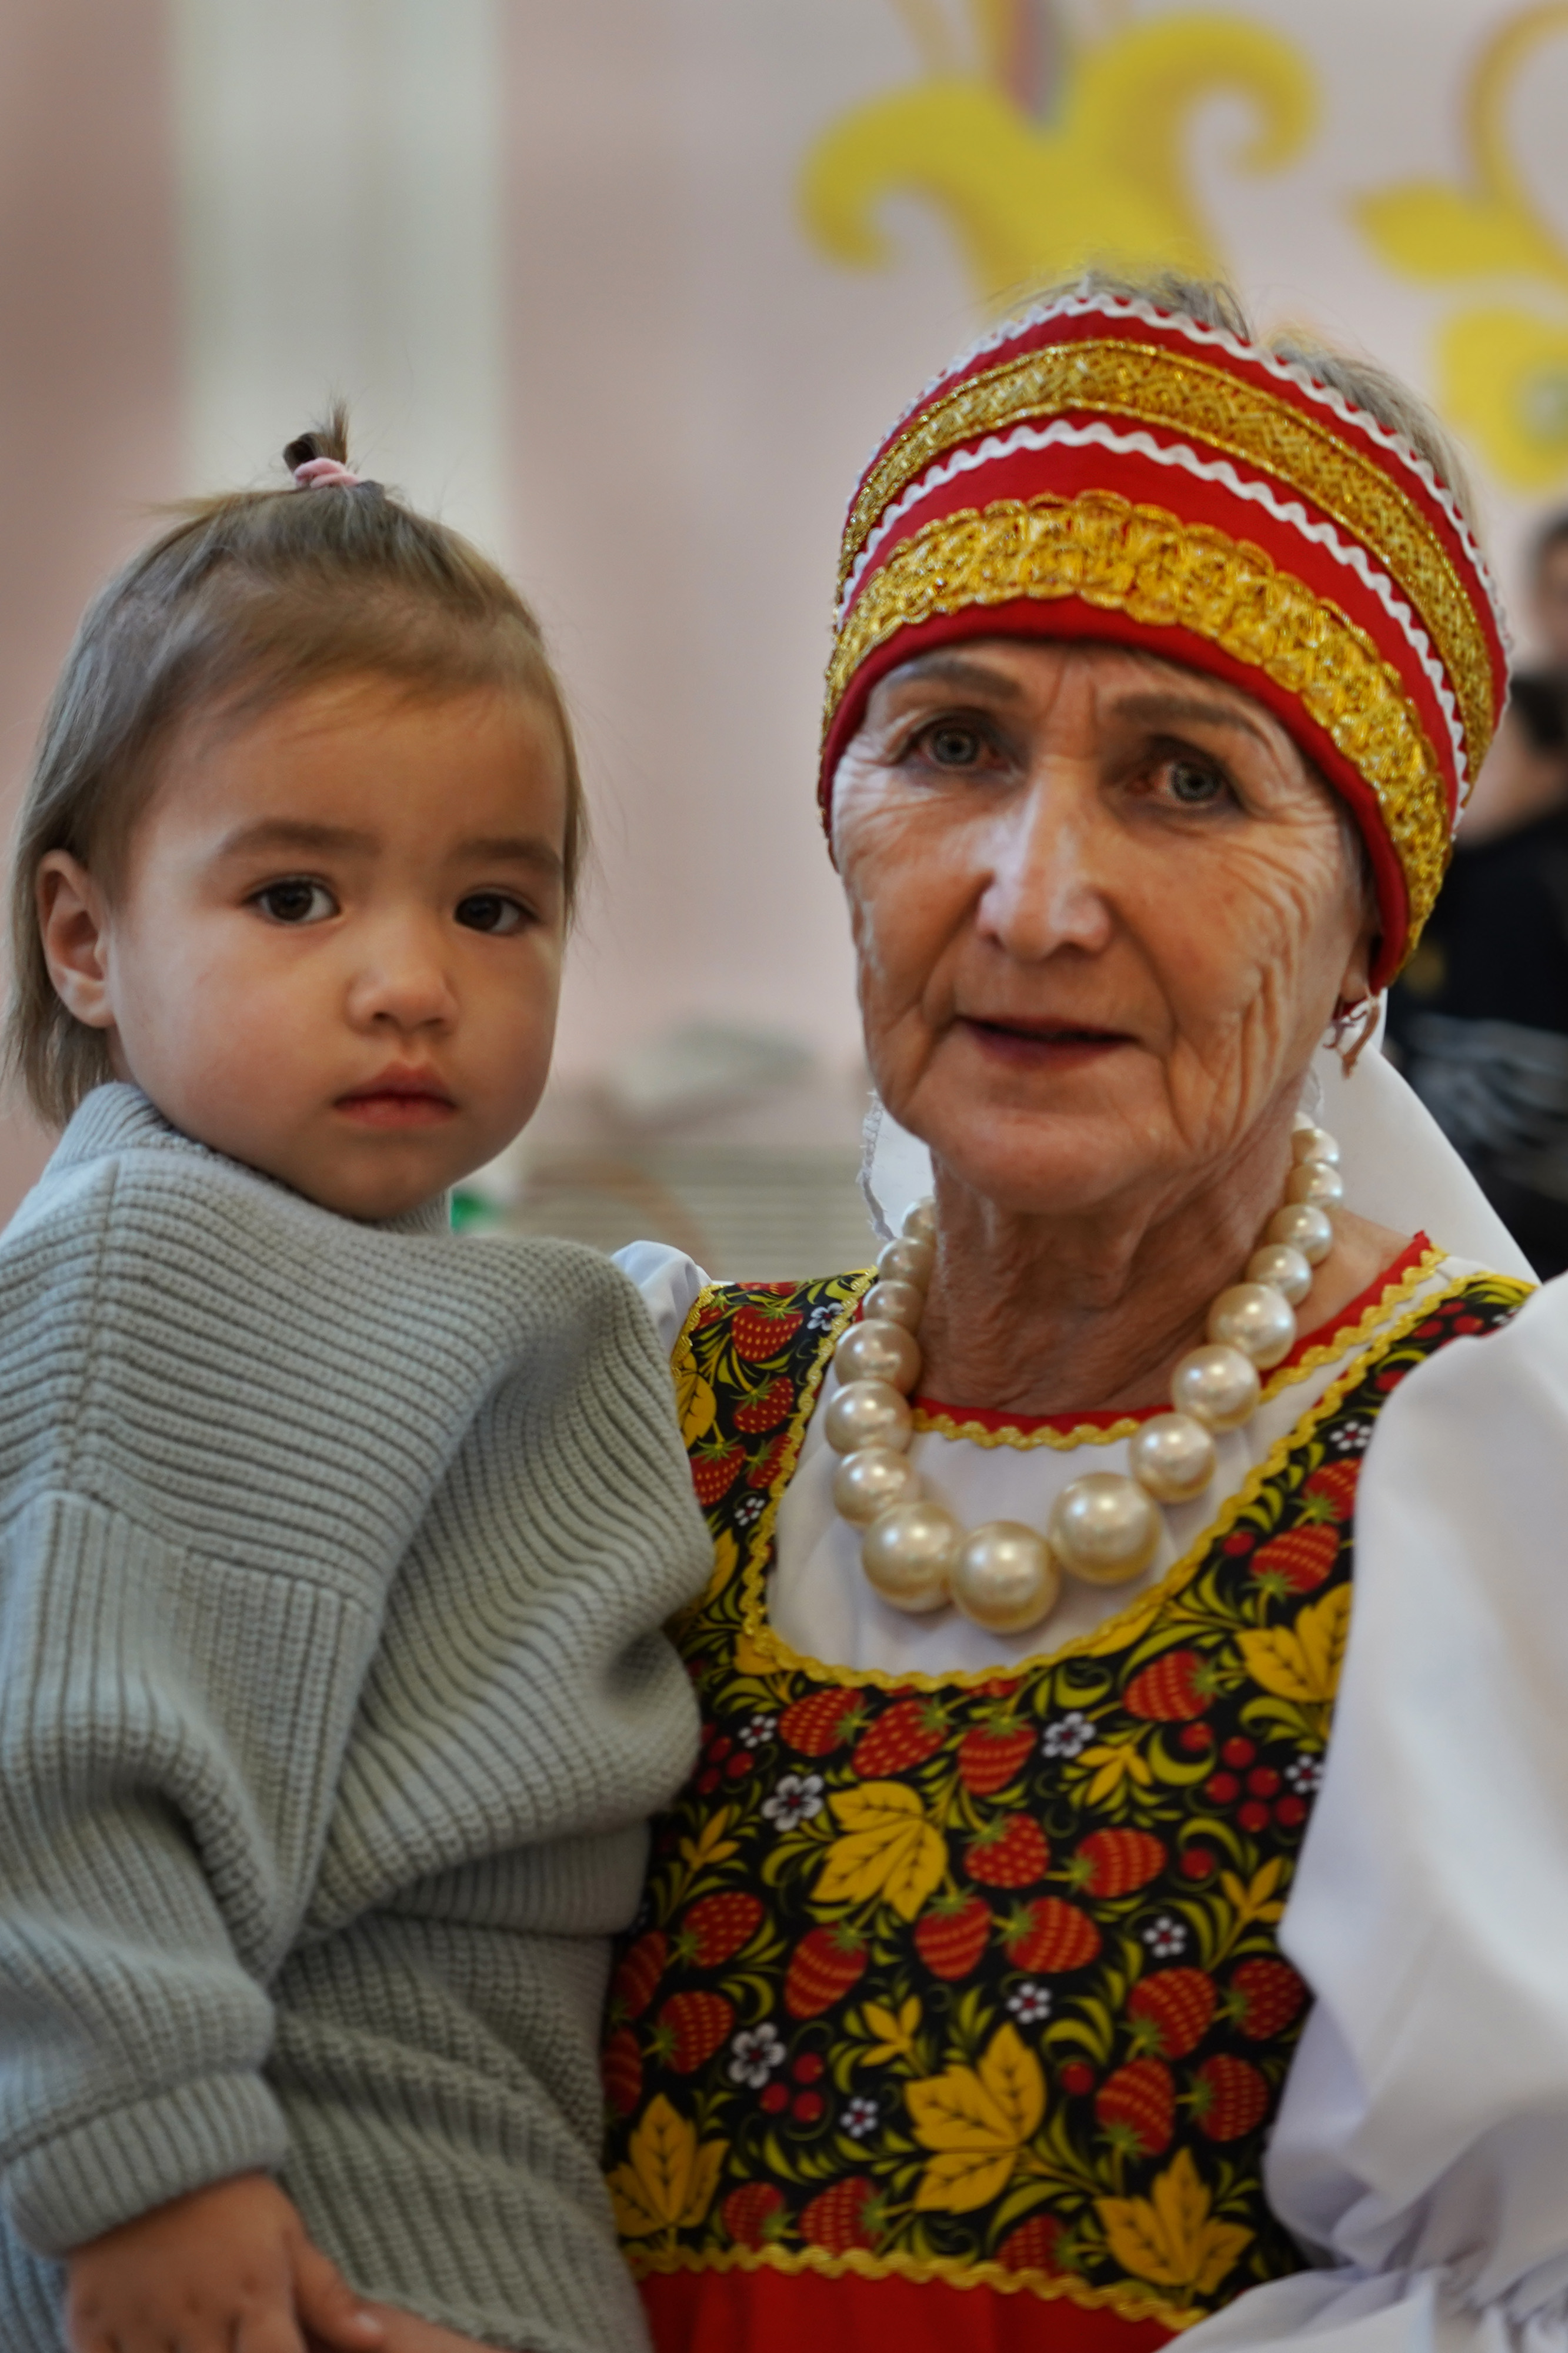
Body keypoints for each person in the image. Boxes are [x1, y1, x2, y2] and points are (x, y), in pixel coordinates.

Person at [587, 273, 1543, 2353]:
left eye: (1186, 782)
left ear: (1363, 933)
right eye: (950, 746)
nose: (1031, 899)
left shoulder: (1485, 1488)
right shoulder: (639, 1417)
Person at [0, 419, 710, 2353]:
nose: (412, 981)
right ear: (87, 940)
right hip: (281, 2222)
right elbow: (51, 1753)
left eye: (493, 909)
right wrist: (150, 2171)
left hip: (486, 2202)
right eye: (297, 898)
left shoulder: (464, 1297)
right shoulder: (156, 1261)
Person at [1387, 509, 1568, 1272]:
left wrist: (1411, 1141)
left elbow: (1525, 1078)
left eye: (1495, 761)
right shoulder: (1465, 873)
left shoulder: (1524, 887)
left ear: (1548, 773)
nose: (1466, 784)